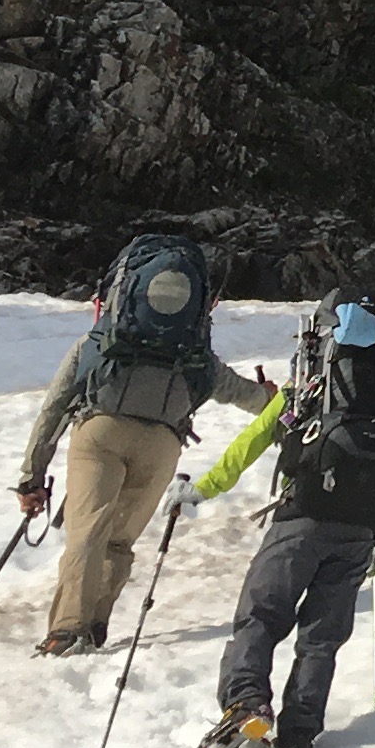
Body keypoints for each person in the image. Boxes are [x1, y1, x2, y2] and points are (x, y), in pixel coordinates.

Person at [187, 291, 375, 748]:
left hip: (300, 519)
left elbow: (250, 442)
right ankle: (300, 731)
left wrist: (203, 489)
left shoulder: (305, 390)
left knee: (262, 614)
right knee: (322, 637)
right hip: (361, 533)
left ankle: (245, 702)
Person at [14, 232, 267, 657]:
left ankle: (67, 630)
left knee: (87, 533)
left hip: (101, 432)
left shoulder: (98, 344)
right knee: (118, 539)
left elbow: (53, 410)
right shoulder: (194, 353)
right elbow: (244, 394)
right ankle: (95, 624)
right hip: (162, 444)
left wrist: (31, 478)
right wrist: (278, 398)